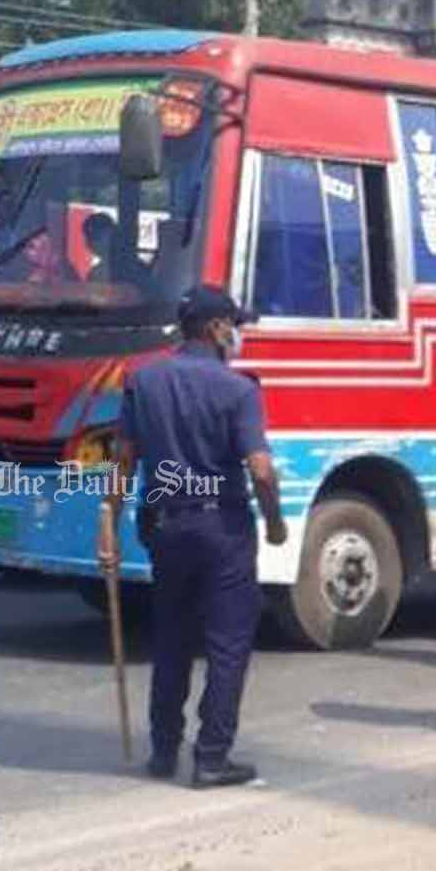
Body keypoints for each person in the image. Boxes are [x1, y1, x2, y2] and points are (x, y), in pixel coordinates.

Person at [101, 286, 287, 789]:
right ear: (215, 328)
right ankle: (211, 757)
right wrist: (274, 522)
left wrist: (110, 526)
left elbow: (123, 458)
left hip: (164, 524)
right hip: (221, 526)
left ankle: (163, 751)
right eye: (232, 323)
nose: (237, 333)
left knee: (172, 638)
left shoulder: (144, 380)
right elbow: (262, 470)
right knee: (227, 643)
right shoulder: (238, 390)